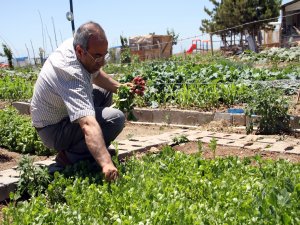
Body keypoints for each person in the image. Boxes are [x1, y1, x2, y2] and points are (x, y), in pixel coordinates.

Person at [30, 21, 129, 181]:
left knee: (105, 91)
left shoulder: (75, 45)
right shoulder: (70, 72)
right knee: (115, 119)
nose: (102, 62)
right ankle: (70, 157)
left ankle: (92, 147)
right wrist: (106, 163)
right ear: (80, 51)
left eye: (105, 55)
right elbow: (88, 123)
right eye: (97, 56)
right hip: (53, 129)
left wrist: (122, 88)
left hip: (63, 115)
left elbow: (96, 74)